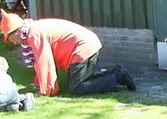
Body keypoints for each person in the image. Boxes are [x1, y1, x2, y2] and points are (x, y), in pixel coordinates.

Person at [0, 10, 136, 97]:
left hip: (82, 48)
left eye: (10, 38)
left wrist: (46, 90)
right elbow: (40, 61)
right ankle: (117, 72)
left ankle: (117, 78)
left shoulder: (34, 34)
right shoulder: (33, 29)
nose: (12, 42)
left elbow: (44, 61)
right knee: (83, 81)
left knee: (76, 88)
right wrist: (39, 83)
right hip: (87, 44)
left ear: (16, 31)